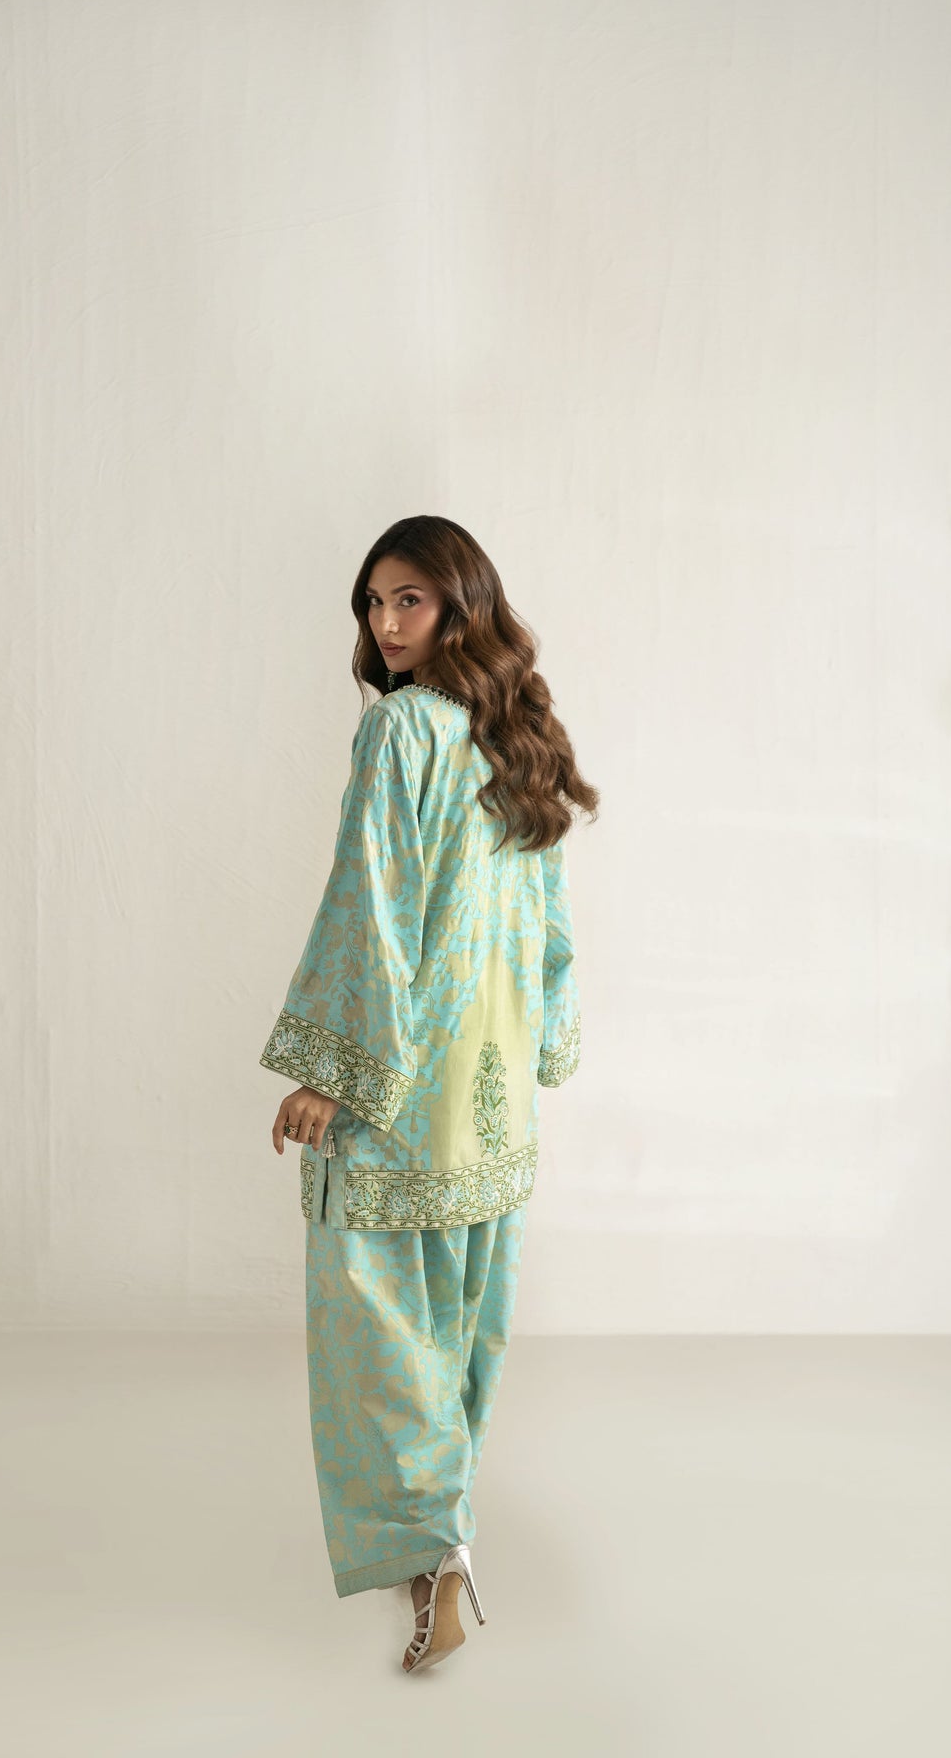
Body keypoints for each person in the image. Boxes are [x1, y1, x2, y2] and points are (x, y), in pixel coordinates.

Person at [259, 515, 598, 1674]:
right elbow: (550, 929)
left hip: (401, 1095)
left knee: (382, 1336)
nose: (385, 623)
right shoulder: (517, 741)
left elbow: (374, 905)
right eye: (373, 602)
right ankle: (439, 1550)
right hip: (491, 1105)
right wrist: (549, 1048)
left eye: (408, 599)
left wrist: (330, 1075)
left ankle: (439, 1558)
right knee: (452, 1336)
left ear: (461, 604)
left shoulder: (402, 730)